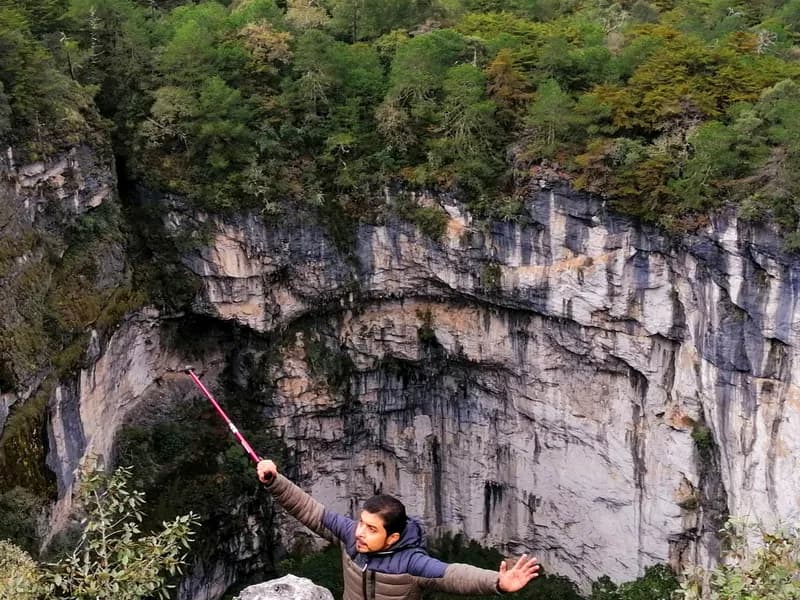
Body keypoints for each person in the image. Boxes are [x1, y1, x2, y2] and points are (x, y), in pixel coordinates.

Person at [257, 459, 540, 599]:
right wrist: (274, 480)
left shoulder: (411, 564)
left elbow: (454, 574)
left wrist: (497, 582)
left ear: (392, 537)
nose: (359, 533)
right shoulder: (350, 535)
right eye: (361, 523)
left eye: (371, 529)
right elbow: (309, 510)